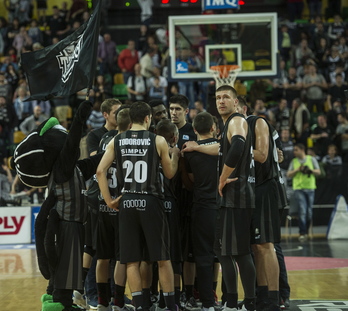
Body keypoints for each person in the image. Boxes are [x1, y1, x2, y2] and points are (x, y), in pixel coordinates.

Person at [97, 101, 180, 311]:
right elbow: (169, 174)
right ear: (147, 118)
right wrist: (175, 156)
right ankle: (170, 306)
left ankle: (140, 306)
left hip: (128, 201)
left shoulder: (117, 140)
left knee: (131, 260)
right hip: (151, 201)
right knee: (162, 258)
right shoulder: (158, 140)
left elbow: (100, 171)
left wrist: (108, 200)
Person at [95, 107, 134, 311]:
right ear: (130, 125)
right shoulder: (126, 143)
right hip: (121, 205)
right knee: (121, 258)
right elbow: (100, 170)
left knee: (102, 256)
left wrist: (105, 200)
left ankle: (102, 302)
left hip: (103, 206)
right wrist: (112, 200)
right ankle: (118, 302)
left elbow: (98, 170)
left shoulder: (106, 141)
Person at [184, 112, 219, 311]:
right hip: (223, 206)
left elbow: (190, 181)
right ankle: (230, 300)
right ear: (214, 128)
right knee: (228, 256)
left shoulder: (190, 152)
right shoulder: (224, 147)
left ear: (195, 130)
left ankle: (207, 303)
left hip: (202, 207)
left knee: (203, 257)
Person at [287, 143, 321, 241]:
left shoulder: (311, 159)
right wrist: (298, 169)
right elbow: (288, 174)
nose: (294, 152)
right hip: (298, 188)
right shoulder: (294, 162)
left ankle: (305, 231)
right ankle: (302, 233)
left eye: (296, 150)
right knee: (303, 210)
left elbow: (318, 172)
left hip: (310, 188)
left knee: (309, 212)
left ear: (302, 150)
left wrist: (310, 170)